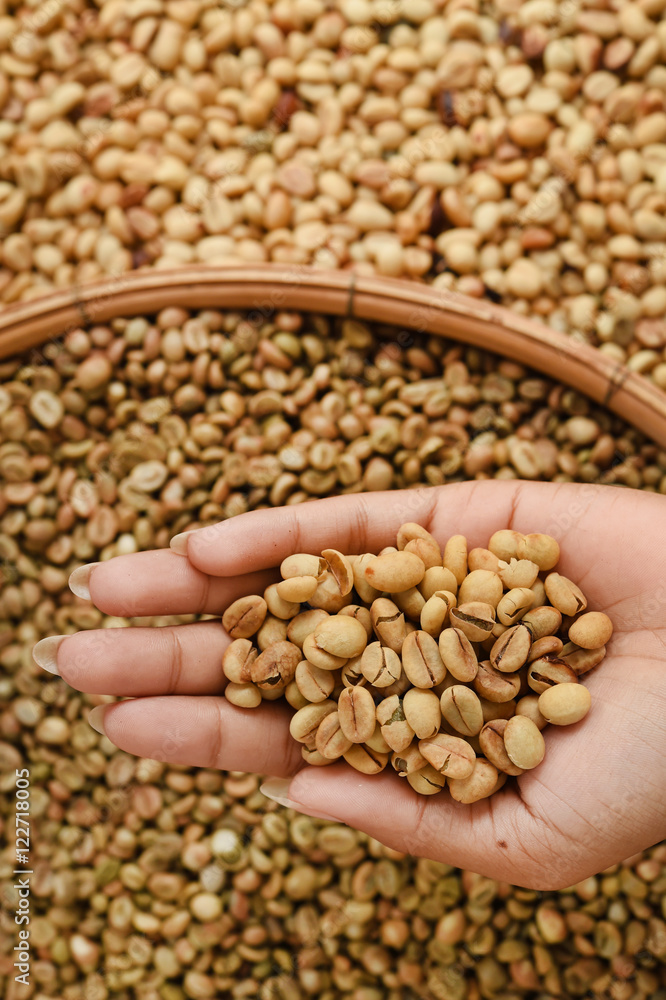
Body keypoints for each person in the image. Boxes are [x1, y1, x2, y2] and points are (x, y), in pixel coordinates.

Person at [33, 479, 666, 890]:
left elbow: (452, 672)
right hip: (423, 677)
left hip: (445, 679)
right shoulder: (391, 641)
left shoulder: (469, 643)